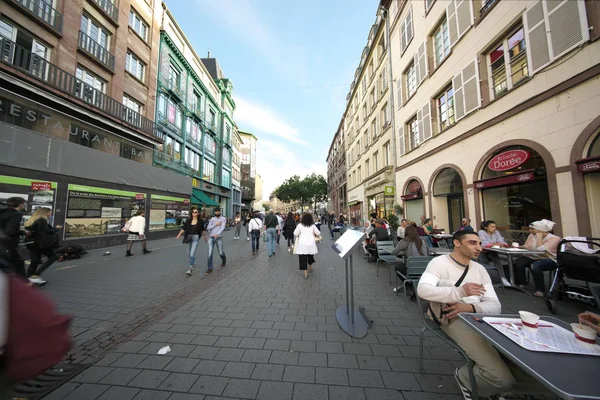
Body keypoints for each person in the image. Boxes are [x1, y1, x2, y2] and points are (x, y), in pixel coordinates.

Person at [417, 230, 538, 398]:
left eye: (480, 243)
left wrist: (471, 308)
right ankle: (467, 378)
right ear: (457, 243)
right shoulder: (439, 263)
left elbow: (495, 306)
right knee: (501, 377)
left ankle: (495, 383)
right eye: (473, 243)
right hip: (453, 319)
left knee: (522, 361)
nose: (479, 248)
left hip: (481, 318)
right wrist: (459, 292)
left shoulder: (480, 270)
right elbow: (423, 290)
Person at [514, 219, 561, 297]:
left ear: (541, 230)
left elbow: (541, 249)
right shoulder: (531, 236)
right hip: (533, 256)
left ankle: (540, 289)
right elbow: (527, 246)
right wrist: (520, 247)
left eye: (532, 229)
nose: (530, 230)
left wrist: (539, 237)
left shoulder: (555, 239)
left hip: (548, 258)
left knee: (535, 265)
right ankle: (522, 283)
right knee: (519, 262)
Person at [24, 207, 61, 286]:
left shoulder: (32, 220)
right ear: (45, 213)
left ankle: (30, 279)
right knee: (53, 257)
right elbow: (45, 232)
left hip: (31, 243)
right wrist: (56, 229)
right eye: (49, 213)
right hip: (39, 243)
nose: (50, 214)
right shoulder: (42, 220)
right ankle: (36, 275)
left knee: (35, 260)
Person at [0, 197, 27, 279]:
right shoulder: (16, 214)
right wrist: (23, 232)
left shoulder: (3, 212)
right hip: (6, 243)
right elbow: (10, 231)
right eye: (24, 203)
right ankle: (24, 285)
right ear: (20, 204)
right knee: (18, 264)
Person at [477, 220, 510, 286]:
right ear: (486, 227)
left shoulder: (496, 232)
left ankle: (503, 278)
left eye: (495, 227)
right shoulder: (481, 232)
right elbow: (484, 243)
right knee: (483, 262)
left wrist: (497, 244)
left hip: (492, 251)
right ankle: (483, 279)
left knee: (495, 257)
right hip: (483, 251)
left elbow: (502, 241)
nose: (494, 228)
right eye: (492, 227)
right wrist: (496, 244)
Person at [177, 207, 207, 276]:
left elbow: (203, 230)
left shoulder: (201, 221)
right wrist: (179, 234)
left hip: (196, 238)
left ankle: (190, 269)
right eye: (193, 212)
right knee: (189, 253)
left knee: (192, 254)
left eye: (196, 212)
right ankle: (192, 263)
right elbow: (184, 228)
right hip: (188, 238)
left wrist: (205, 237)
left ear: (198, 213)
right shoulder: (188, 220)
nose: (194, 213)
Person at [293, 213, 320, 279]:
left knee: (303, 257)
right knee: (310, 255)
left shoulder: (300, 225)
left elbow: (295, 233)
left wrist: (299, 234)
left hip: (302, 243)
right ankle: (310, 265)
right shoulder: (312, 225)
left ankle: (305, 272)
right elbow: (318, 233)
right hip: (311, 243)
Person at [205, 208, 227, 274]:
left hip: (219, 237)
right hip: (211, 237)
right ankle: (210, 268)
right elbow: (208, 228)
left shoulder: (223, 219)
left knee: (220, 252)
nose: (217, 212)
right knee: (209, 253)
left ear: (220, 212)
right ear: (214, 212)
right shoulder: (212, 219)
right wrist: (215, 224)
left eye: (218, 211)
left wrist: (217, 234)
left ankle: (224, 259)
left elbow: (222, 227)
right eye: (216, 211)